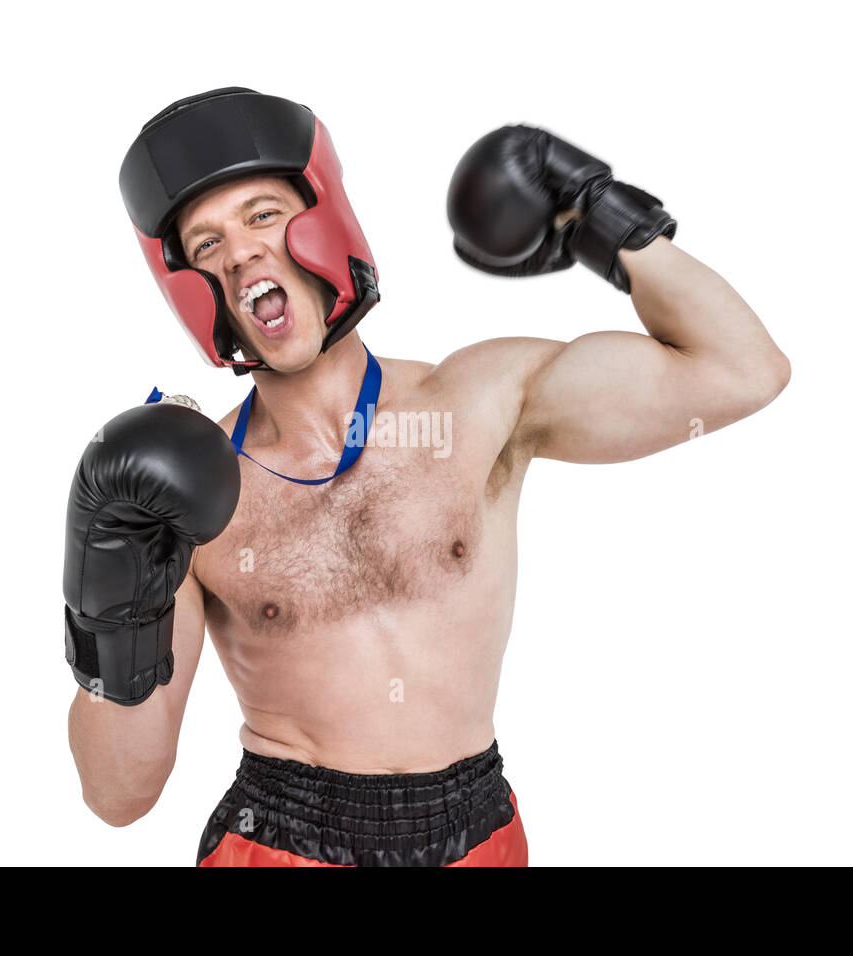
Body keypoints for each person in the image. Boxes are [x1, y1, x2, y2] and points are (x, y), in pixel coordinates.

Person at [63, 88, 790, 866]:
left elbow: (743, 371)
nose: (239, 252)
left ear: (323, 220)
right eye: (206, 244)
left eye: (263, 215)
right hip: (280, 839)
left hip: (477, 830)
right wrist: (110, 600)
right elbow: (119, 796)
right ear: (191, 285)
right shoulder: (186, 490)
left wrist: (599, 217)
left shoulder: (477, 402)